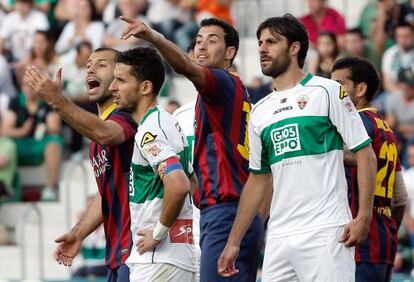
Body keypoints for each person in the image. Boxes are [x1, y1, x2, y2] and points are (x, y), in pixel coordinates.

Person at [217, 14, 377, 282]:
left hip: (325, 229)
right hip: (279, 235)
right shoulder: (259, 111)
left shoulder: (327, 91)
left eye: (272, 41)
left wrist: (364, 216)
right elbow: (258, 179)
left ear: (295, 48)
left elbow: (365, 154)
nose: (262, 48)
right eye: (260, 42)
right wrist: (234, 241)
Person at [120, 16, 264, 282]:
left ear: (230, 52)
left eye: (212, 41)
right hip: (236, 210)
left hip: (225, 210)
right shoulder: (228, 94)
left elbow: (184, 66)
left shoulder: (220, 82)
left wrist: (153, 37)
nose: (201, 47)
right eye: (198, 41)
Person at [24, 47, 137, 281]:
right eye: (88, 65)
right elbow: (106, 192)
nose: (91, 69)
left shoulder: (126, 118)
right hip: (117, 253)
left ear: (119, 77)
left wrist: (56, 100)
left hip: (138, 252)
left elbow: (105, 133)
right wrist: (78, 233)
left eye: (102, 64)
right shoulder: (97, 135)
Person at [109, 47, 196, 281]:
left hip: (158, 259)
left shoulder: (150, 130)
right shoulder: (168, 121)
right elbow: (192, 182)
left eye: (120, 80)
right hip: (178, 256)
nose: (112, 87)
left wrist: (158, 233)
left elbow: (179, 185)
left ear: (145, 87)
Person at [331, 56, 408, 282]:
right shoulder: (387, 130)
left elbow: (359, 158)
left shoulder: (356, 123)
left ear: (361, 88)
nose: (333, 92)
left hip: (357, 244)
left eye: (339, 85)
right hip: (384, 244)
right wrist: (389, 229)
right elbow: (400, 197)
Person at [1, 83, 63, 201]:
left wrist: (44, 128)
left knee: (55, 142)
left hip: (39, 143)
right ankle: (9, 186)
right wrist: (23, 131)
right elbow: (5, 130)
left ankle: (50, 187)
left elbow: (54, 129)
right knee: (6, 145)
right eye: (25, 85)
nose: (28, 88)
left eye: (31, 85)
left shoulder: (47, 100)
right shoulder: (15, 101)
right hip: (20, 144)